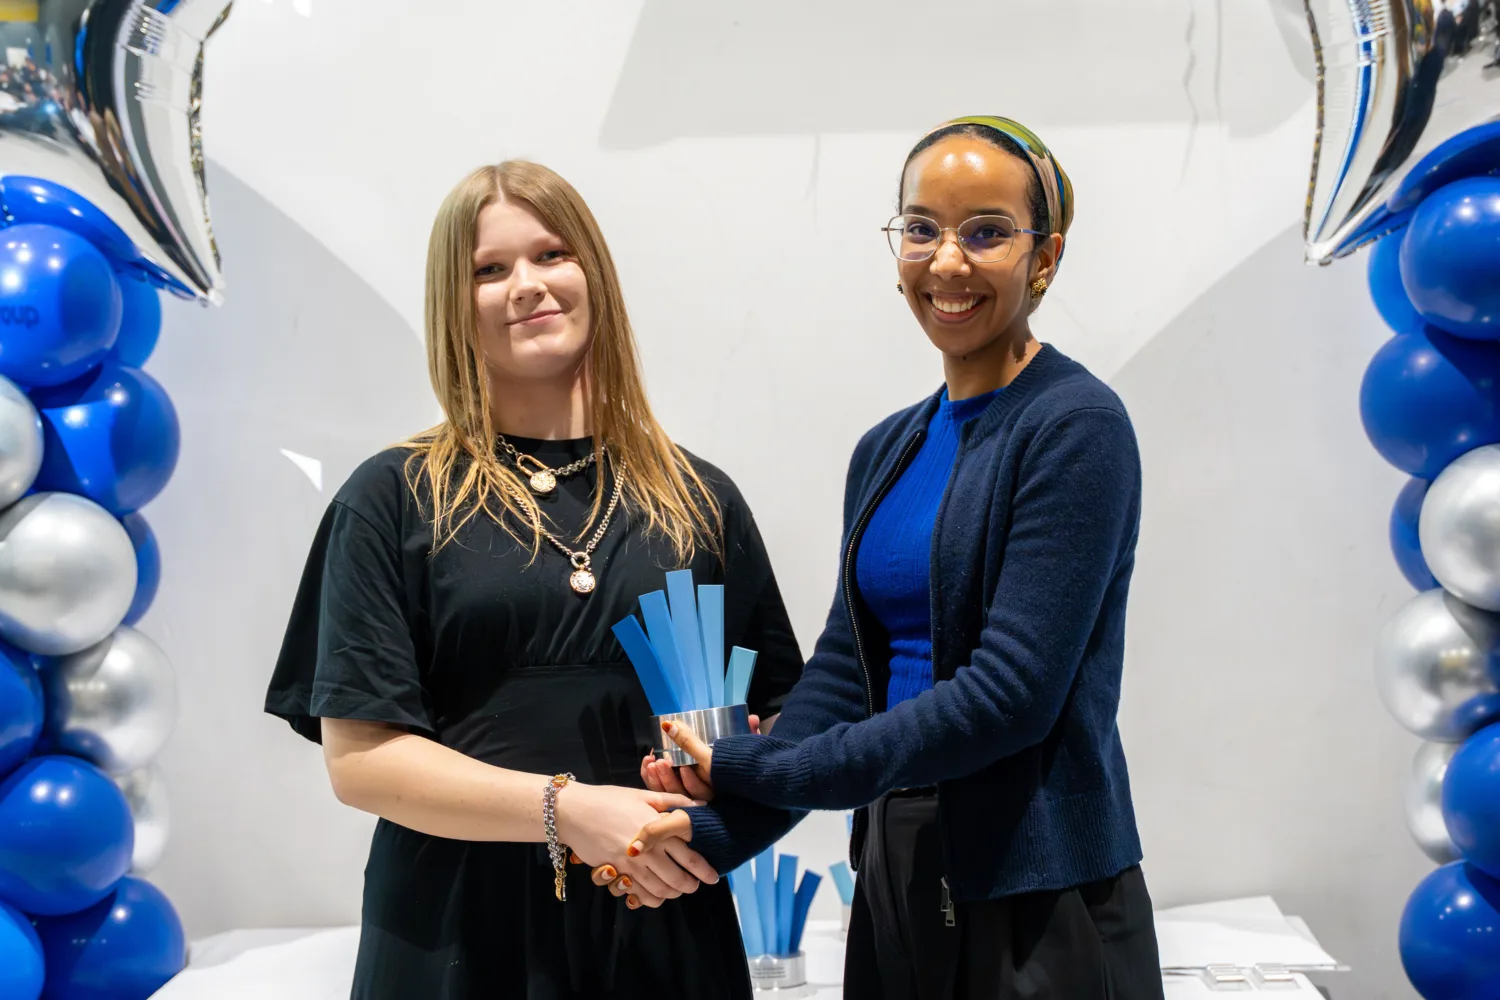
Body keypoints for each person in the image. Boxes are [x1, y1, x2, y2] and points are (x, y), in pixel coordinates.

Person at [624, 116, 1165, 999]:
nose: (947, 262)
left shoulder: (1076, 427)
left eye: (986, 231)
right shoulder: (888, 449)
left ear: (1046, 256)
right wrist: (719, 833)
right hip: (897, 871)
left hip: (1037, 895)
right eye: (922, 229)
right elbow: (846, 669)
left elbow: (1010, 698)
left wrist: (766, 768)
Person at [263, 159, 804, 1000]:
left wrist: (715, 814)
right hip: (453, 935)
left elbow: (782, 727)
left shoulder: (700, 498)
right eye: (489, 269)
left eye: (551, 254)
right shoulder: (394, 495)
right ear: (455, 302)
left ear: (594, 272)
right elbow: (362, 762)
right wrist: (573, 812)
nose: (526, 285)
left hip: (661, 920)